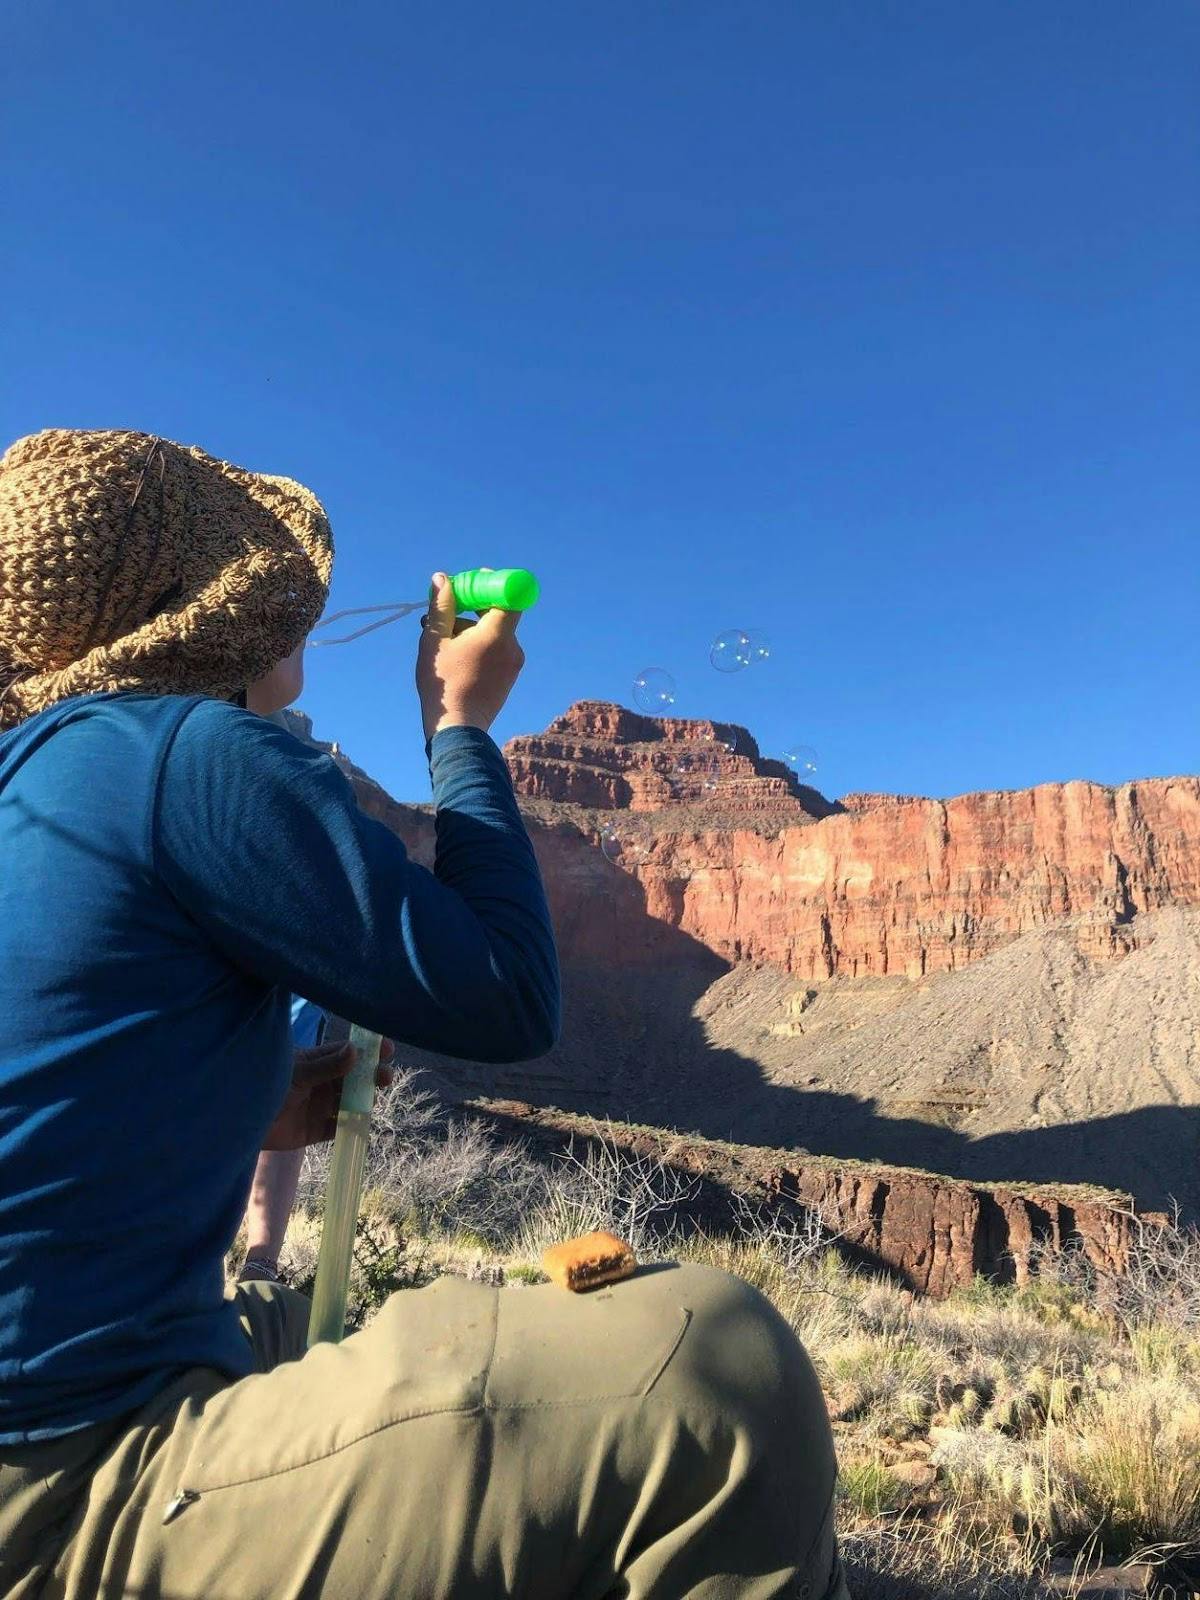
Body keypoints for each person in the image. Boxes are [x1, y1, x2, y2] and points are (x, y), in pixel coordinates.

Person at [0, 428, 846, 1599]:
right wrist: (461, 728)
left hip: (51, 1405)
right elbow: (508, 994)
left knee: (318, 1321)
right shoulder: (187, 751)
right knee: (719, 1372)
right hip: (67, 1482)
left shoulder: (34, 780)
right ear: (194, 602)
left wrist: (254, 1102)